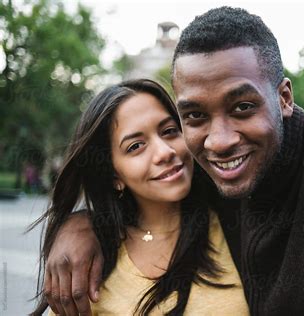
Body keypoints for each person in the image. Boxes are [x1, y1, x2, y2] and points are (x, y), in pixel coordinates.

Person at [43, 7, 304, 316]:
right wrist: (80, 224)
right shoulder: (211, 180)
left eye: (243, 107)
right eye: (194, 116)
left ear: (284, 97)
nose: (221, 141)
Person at [30, 79, 249, 315]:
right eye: (135, 146)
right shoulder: (91, 261)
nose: (165, 152)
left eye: (169, 131)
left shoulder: (239, 222)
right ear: (114, 175)